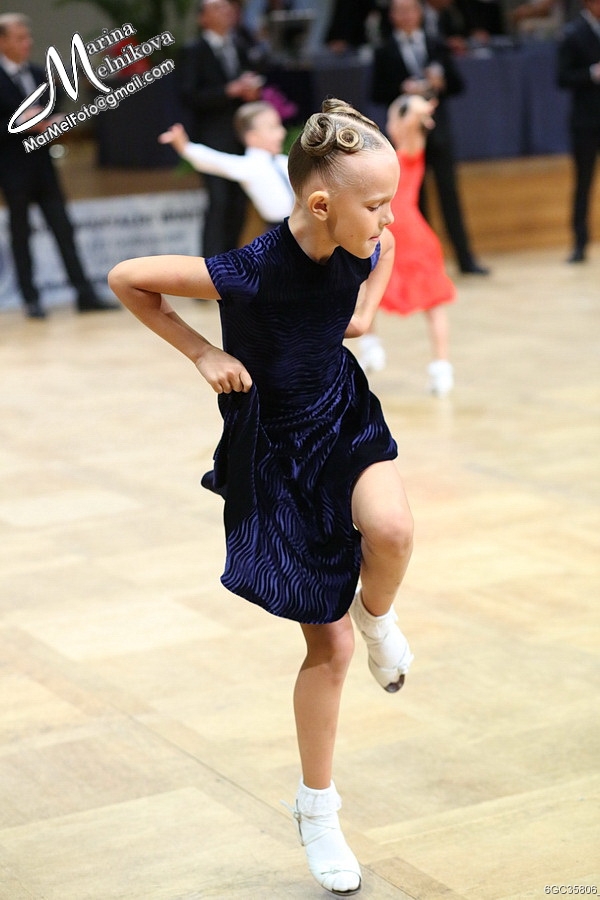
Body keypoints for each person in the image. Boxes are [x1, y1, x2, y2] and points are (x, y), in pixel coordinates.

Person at [108, 97, 414, 896]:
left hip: (343, 416)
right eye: (377, 204)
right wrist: (202, 352)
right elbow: (127, 279)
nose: (389, 218)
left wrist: (363, 316)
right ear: (322, 204)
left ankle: (378, 617)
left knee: (392, 531)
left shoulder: (364, 239)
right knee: (329, 650)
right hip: (277, 454)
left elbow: (379, 263)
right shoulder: (249, 270)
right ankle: (318, 811)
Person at [0, 12, 118, 319]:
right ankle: (31, 298)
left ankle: (84, 294)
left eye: (28, 37)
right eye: (19, 38)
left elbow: (51, 111)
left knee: (64, 230)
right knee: (21, 234)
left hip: (44, 168)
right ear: (2, 42)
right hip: (12, 169)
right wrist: (21, 125)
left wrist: (55, 122)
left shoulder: (37, 73)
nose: (27, 43)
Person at [371, 0, 490, 275]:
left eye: (411, 9)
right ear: (392, 16)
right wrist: (403, 88)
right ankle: (423, 263)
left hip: (438, 132)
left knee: (450, 195)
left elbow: (458, 84)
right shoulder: (384, 50)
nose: (407, 16)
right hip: (408, 137)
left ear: (420, 13)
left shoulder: (436, 44)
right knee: (413, 200)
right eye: (400, 10)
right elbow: (376, 92)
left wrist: (440, 83)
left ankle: (465, 259)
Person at [364, 94, 456, 396]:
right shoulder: (385, 157)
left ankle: (442, 368)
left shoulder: (412, 149)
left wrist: (419, 107)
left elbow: (413, 114)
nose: (390, 123)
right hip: (384, 233)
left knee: (432, 302)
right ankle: (371, 346)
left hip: (412, 238)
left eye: (394, 117)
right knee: (363, 285)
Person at [177, 0, 265, 257]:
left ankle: (230, 262)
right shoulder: (194, 51)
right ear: (202, 18)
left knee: (239, 202)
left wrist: (250, 92)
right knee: (219, 201)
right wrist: (227, 91)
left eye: (227, 8)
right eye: (217, 8)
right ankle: (209, 266)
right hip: (212, 136)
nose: (226, 12)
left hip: (241, 136)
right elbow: (188, 95)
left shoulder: (241, 46)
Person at [158, 101, 294, 229]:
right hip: (281, 230)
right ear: (253, 137)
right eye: (273, 128)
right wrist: (185, 147)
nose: (282, 132)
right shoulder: (249, 166)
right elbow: (215, 161)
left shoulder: (284, 161)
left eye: (280, 126)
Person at [557, 0, 600, 263]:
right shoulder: (573, 33)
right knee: (583, 182)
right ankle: (579, 242)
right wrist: (592, 73)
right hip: (586, 121)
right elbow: (562, 77)